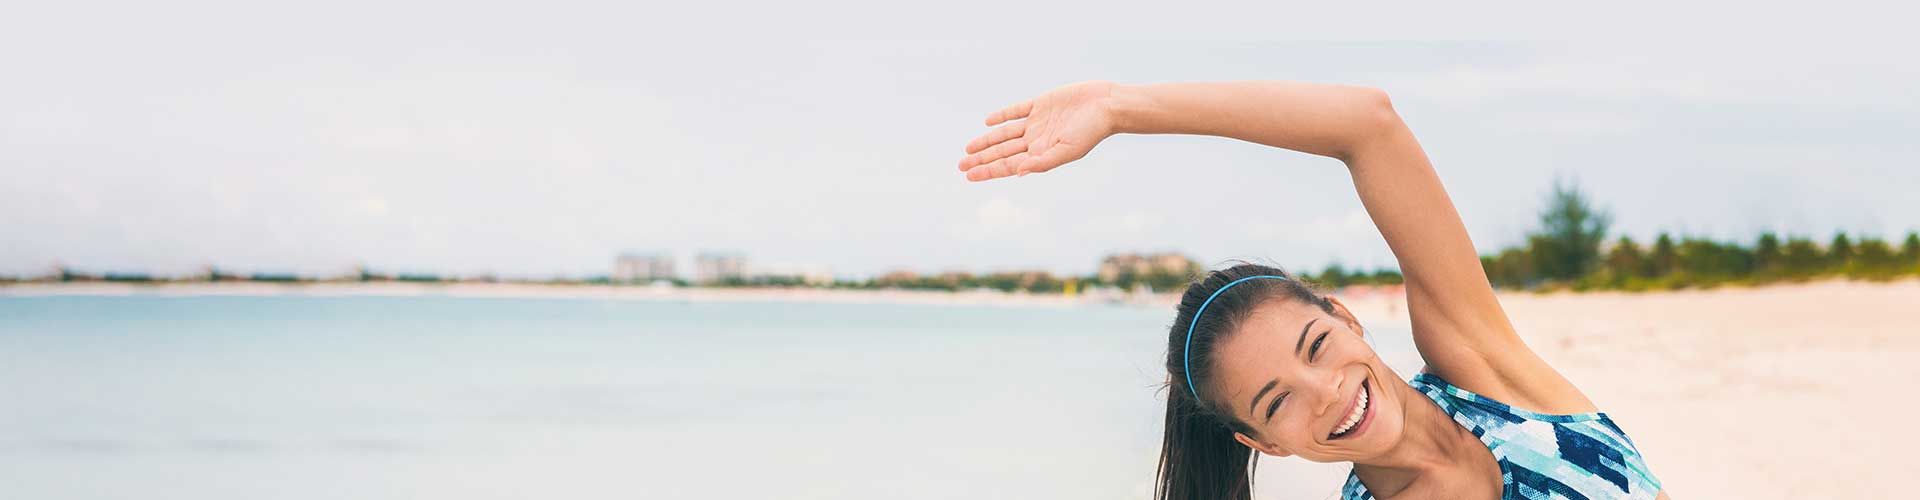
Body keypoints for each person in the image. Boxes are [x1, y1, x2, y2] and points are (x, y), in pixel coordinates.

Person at [954, 81, 1666, 500]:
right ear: (1261, 441)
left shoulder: (1485, 373)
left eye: (1315, 346)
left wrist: (1122, 107)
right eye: (1277, 402)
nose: (1324, 392)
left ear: (1346, 318)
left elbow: (1368, 126)